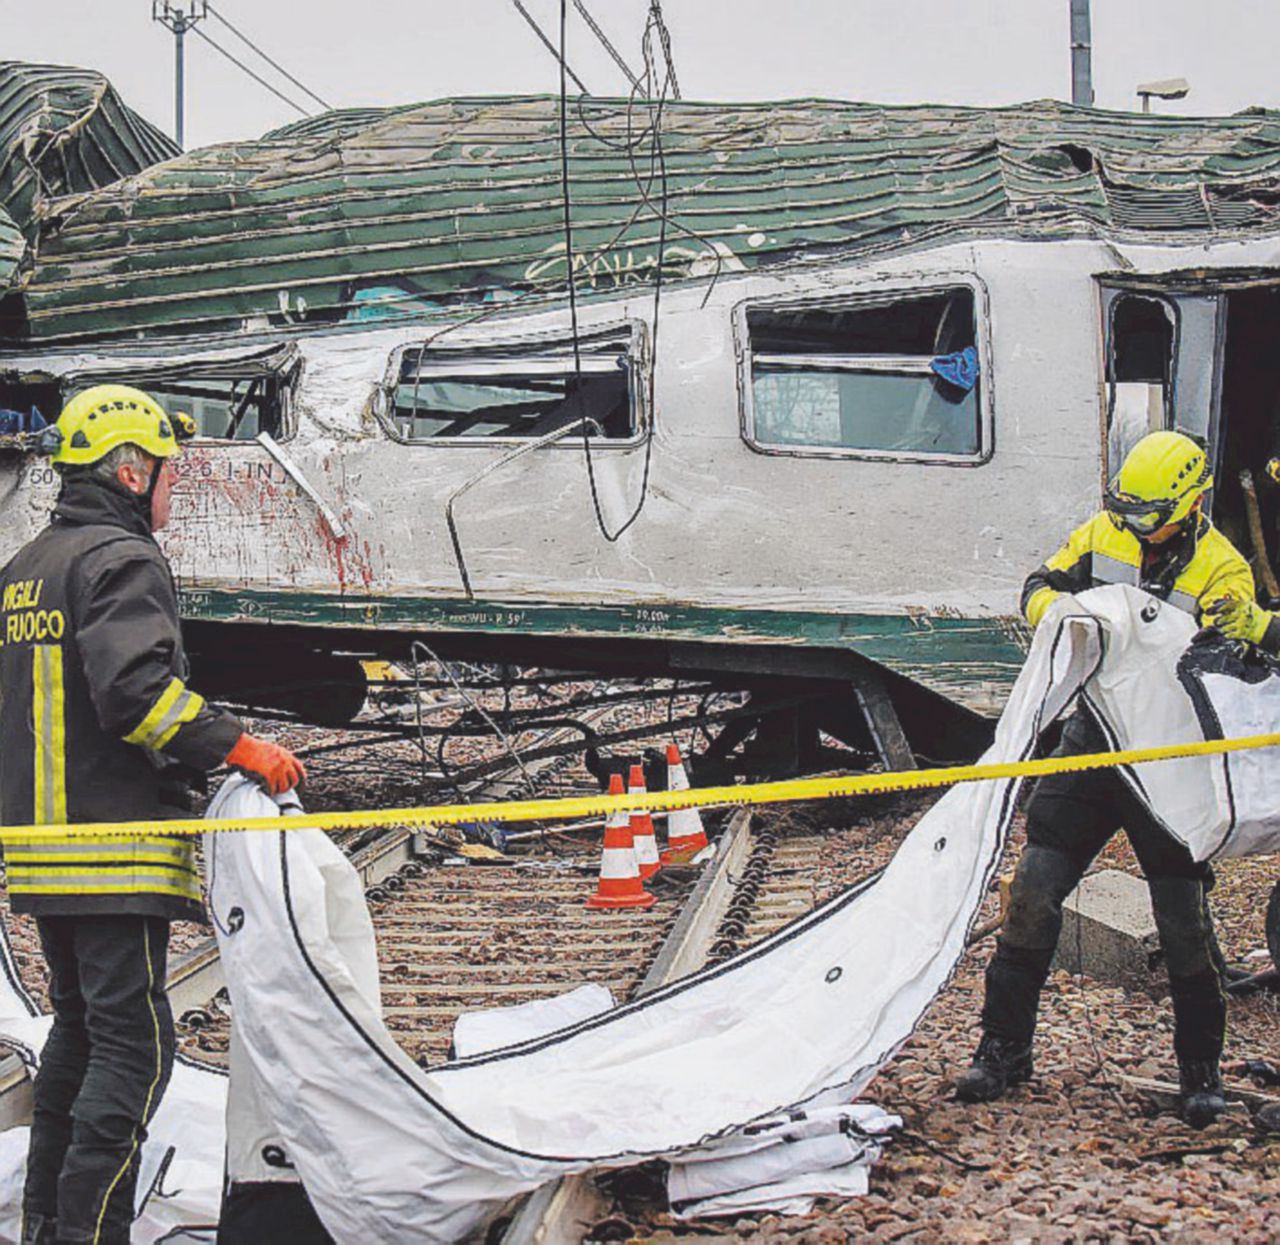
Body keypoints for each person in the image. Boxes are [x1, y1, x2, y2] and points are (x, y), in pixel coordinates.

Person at [0, 385, 306, 1245]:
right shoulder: (120, 560)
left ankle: (47, 1230)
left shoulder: (26, 567)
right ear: (131, 470)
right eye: (170, 468)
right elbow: (139, 698)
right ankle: (91, 1234)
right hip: (114, 846)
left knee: (79, 1037)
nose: (175, 486)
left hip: (41, 847)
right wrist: (242, 748)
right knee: (134, 1051)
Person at [954, 430, 1255, 1129]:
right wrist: (1056, 615)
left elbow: (1236, 665)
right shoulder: (1101, 534)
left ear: (1193, 502)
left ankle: (1199, 1071)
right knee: (1031, 892)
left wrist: (1232, 633)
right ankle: (1004, 1049)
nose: (1137, 530)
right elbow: (1039, 585)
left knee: (1183, 923)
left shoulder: (1222, 570)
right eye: (1129, 513)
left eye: (1151, 517)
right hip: (1091, 748)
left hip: (1168, 767)